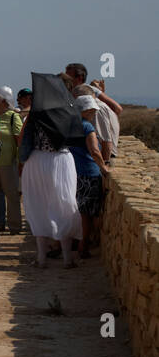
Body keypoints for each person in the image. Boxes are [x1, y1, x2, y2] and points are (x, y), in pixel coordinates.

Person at [19, 73, 83, 269]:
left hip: (37, 159)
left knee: (37, 204)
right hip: (63, 160)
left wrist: (22, 159)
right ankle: (66, 257)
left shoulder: (37, 113)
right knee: (64, 204)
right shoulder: (72, 110)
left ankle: (41, 258)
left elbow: (24, 138)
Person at [69, 95, 109, 258]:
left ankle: (70, 241)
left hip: (71, 172)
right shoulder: (87, 127)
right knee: (87, 213)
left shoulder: (68, 126)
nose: (93, 113)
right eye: (91, 110)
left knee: (74, 210)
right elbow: (94, 151)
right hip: (88, 173)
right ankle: (83, 245)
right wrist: (104, 168)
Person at [0, 87, 23, 236]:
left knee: (12, 195)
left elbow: (19, 140)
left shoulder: (12, 117)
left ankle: (15, 226)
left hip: (8, 163)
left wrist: (20, 161)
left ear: (3, 101)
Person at [87, 79, 121, 162]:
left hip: (103, 157)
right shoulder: (105, 107)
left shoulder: (97, 109)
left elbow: (105, 140)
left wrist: (104, 165)